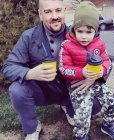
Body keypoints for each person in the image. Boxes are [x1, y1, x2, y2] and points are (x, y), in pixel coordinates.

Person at [2, 0, 106, 140]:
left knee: (96, 104)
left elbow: (105, 59)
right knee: (16, 90)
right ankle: (32, 127)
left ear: (64, 10)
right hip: (42, 90)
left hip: (71, 89)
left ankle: (68, 107)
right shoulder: (28, 36)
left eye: (58, 10)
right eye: (48, 12)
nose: (54, 16)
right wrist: (30, 73)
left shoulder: (79, 33)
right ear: (40, 14)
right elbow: (8, 67)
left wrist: (92, 77)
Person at [59, 1, 114, 140]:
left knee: (113, 102)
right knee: (83, 114)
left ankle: (108, 125)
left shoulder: (99, 44)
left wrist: (103, 70)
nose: (84, 36)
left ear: (96, 31)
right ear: (74, 29)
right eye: (80, 31)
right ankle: (81, 136)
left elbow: (106, 61)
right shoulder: (67, 46)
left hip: (96, 83)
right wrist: (81, 72)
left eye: (89, 32)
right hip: (77, 86)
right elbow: (64, 69)